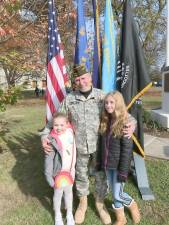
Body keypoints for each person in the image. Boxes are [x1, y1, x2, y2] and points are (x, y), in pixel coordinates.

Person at [41, 64, 136, 225]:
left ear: (90, 77)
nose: (81, 81)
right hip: (78, 149)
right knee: (81, 176)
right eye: (77, 79)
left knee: (101, 176)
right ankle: (83, 203)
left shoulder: (102, 96)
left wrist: (132, 123)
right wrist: (44, 136)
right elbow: (53, 123)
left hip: (100, 148)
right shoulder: (70, 99)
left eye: (84, 77)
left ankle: (100, 204)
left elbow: (122, 112)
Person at [98, 91, 141, 225]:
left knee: (118, 194)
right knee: (115, 192)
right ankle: (121, 219)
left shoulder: (125, 123)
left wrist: (123, 171)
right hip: (108, 164)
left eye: (112, 102)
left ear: (118, 103)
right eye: (106, 103)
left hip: (119, 167)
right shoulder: (106, 120)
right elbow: (103, 145)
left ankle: (132, 205)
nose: (108, 105)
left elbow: (127, 151)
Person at [44, 112, 76, 225]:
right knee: (58, 194)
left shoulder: (70, 132)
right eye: (56, 125)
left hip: (70, 172)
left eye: (61, 125)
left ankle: (69, 214)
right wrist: (50, 179)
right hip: (58, 174)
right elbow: (48, 162)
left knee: (69, 193)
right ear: (52, 125)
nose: (59, 128)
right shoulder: (51, 140)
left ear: (67, 124)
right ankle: (58, 214)